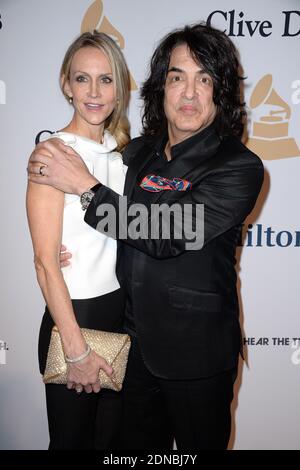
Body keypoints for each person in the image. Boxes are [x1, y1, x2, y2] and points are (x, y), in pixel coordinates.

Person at [27, 23, 264, 450]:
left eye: (204, 78)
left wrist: (84, 187)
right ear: (161, 88)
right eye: (177, 77)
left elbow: (167, 232)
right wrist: (72, 253)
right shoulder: (135, 153)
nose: (189, 93)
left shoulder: (239, 166)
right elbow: (106, 223)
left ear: (221, 90)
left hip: (197, 358)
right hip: (129, 351)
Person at [26, 30, 131, 449]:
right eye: (82, 78)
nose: (94, 91)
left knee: (112, 446)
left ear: (119, 88)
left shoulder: (121, 154)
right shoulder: (51, 154)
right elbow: (45, 261)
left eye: (106, 79)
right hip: (76, 319)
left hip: (122, 315)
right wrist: (76, 351)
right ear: (66, 84)